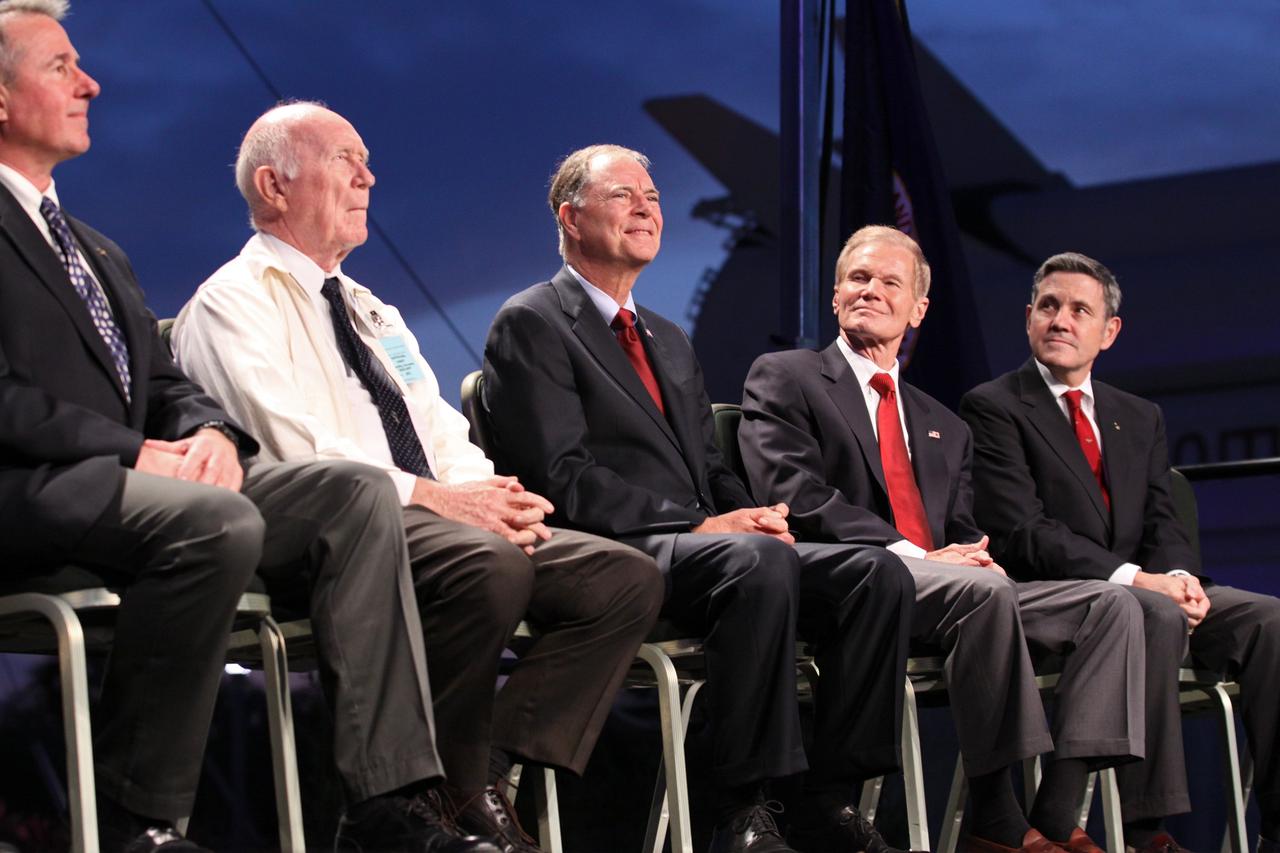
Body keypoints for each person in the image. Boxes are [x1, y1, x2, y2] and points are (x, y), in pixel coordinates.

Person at [0, 6, 495, 853]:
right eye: (60, 68)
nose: (91, 83)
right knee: (214, 520)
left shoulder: (97, 250)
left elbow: (164, 383)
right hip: (32, 482)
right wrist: (135, 452)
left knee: (349, 490)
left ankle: (387, 799)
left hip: (134, 480)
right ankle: (140, 819)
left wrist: (213, 436)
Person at [173, 105, 664, 853]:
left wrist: (493, 495)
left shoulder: (375, 311)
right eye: (345, 158)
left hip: (438, 515)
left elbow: (438, 428)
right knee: (489, 565)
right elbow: (293, 447)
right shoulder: (231, 302)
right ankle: (428, 799)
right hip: (332, 526)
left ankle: (476, 772)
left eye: (367, 158)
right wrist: (442, 500)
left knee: (621, 579)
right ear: (275, 185)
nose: (369, 175)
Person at [483, 144, 918, 853]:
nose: (647, 208)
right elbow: (561, 477)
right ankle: (741, 806)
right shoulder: (531, 321)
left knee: (874, 575)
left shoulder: (669, 338)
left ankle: (825, 797)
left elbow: (710, 465)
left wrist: (757, 513)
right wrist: (704, 522)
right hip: (613, 546)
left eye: (653, 198)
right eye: (625, 195)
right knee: (755, 564)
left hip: (706, 546)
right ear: (570, 216)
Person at [739, 225, 1154, 853]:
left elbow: (964, 529)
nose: (870, 291)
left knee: (1112, 605)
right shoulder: (787, 375)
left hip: (950, 585)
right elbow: (793, 492)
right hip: (850, 578)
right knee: (983, 592)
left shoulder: (943, 423)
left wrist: (972, 552)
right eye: (857, 278)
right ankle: (994, 811)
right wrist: (917, 555)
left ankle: (1057, 808)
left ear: (919, 308)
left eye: (889, 282)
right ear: (833, 296)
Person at [959, 251, 1280, 853]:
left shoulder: (1140, 415)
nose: (1061, 319)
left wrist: (1180, 575)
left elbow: (1165, 516)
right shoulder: (994, 406)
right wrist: (1136, 579)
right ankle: (1142, 830)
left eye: (1080, 310)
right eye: (1048, 306)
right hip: (1055, 596)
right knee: (1148, 611)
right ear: (1028, 317)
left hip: (1148, 588)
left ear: (1109, 332)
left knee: (1271, 622)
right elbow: (1024, 531)